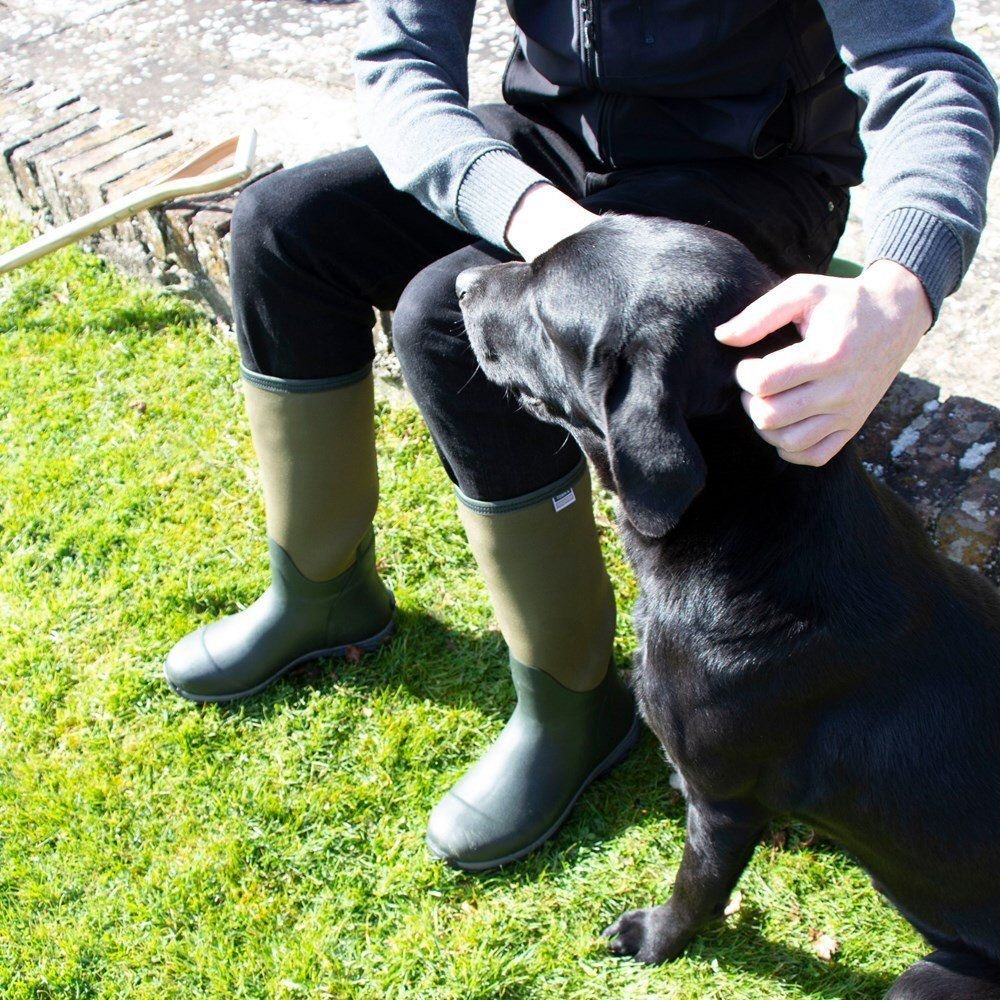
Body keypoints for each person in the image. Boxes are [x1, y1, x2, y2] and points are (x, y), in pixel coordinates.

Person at [164, 0, 998, 871]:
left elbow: (925, 71)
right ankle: (322, 589)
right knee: (282, 226)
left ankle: (569, 699)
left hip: (741, 183)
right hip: (554, 148)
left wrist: (903, 286)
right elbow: (399, 58)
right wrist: (533, 215)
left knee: (440, 324)